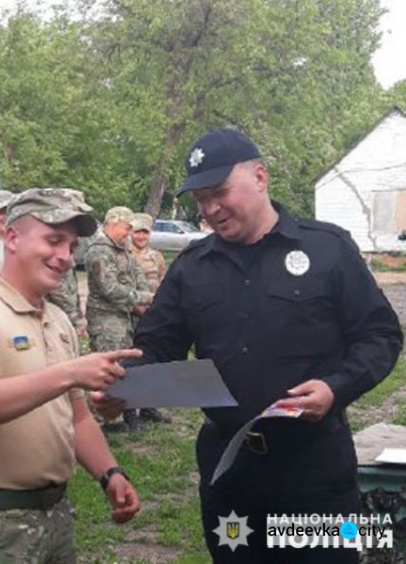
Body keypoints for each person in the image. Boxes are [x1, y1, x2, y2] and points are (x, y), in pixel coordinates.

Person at [132, 128, 403, 563]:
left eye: (219, 192)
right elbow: (155, 347)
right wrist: (122, 383)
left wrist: (336, 387)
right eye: (201, 200)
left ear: (260, 177)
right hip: (232, 475)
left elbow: (381, 335)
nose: (211, 209)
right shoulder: (191, 268)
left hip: (315, 472)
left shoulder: (327, 249)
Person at [0, 188, 141, 563]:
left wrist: (109, 472)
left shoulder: (58, 319)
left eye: (70, 245)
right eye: (53, 240)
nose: (65, 257)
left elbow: (77, 416)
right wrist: (68, 373)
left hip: (56, 516)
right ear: (13, 238)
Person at [85, 206, 153, 431]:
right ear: (113, 224)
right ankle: (108, 420)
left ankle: (123, 413)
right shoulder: (100, 251)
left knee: (123, 367)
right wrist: (145, 297)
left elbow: (137, 275)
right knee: (108, 367)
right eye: (127, 228)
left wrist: (143, 299)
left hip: (123, 316)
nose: (129, 233)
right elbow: (109, 289)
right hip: (106, 319)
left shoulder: (121, 249)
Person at [129, 212, 167, 294]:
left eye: (145, 233)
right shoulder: (124, 254)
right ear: (130, 233)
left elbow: (163, 280)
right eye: (137, 232)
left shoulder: (157, 256)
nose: (141, 236)